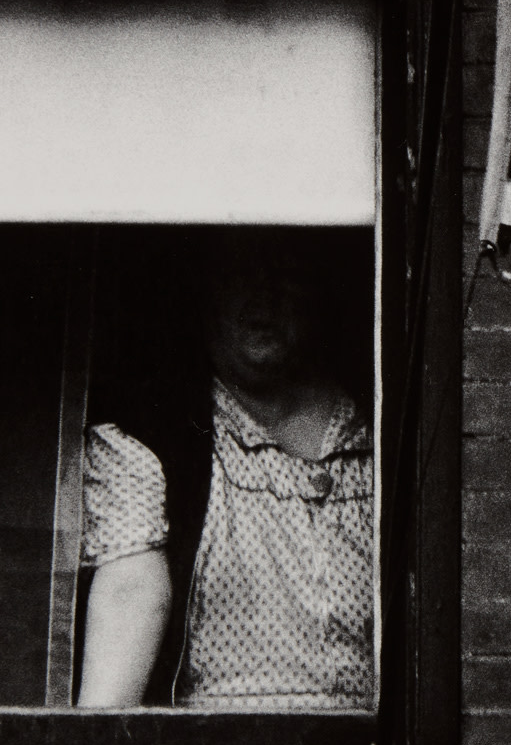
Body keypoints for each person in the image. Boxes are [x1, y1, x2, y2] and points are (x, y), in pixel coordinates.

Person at [74, 241, 375, 710]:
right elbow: (131, 591)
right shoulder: (156, 438)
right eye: (241, 271)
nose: (263, 294)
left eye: (285, 271)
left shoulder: (380, 434)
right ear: (206, 288)